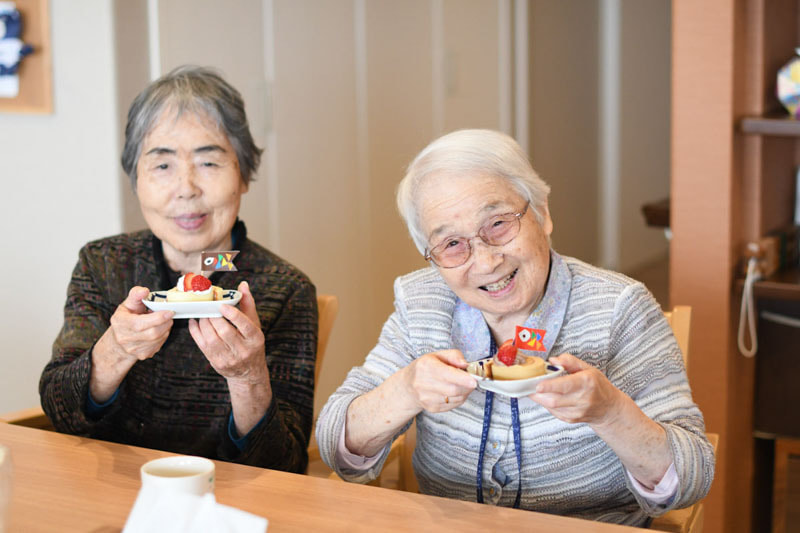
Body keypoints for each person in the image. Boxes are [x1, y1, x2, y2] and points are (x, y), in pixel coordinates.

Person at [316, 129, 714, 525]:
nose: (486, 262)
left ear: (542, 213)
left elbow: (691, 477)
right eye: (452, 244)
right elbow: (335, 442)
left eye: (498, 223)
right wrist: (404, 390)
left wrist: (610, 413)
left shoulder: (618, 308)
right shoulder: (422, 304)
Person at [40, 66, 317, 472]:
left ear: (243, 175)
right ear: (136, 179)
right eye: (163, 166)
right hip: (113, 492)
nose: (186, 188)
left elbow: (285, 464)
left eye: (208, 163)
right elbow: (61, 413)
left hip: (228, 498)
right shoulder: (103, 264)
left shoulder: (283, 288)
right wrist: (116, 349)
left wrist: (248, 377)